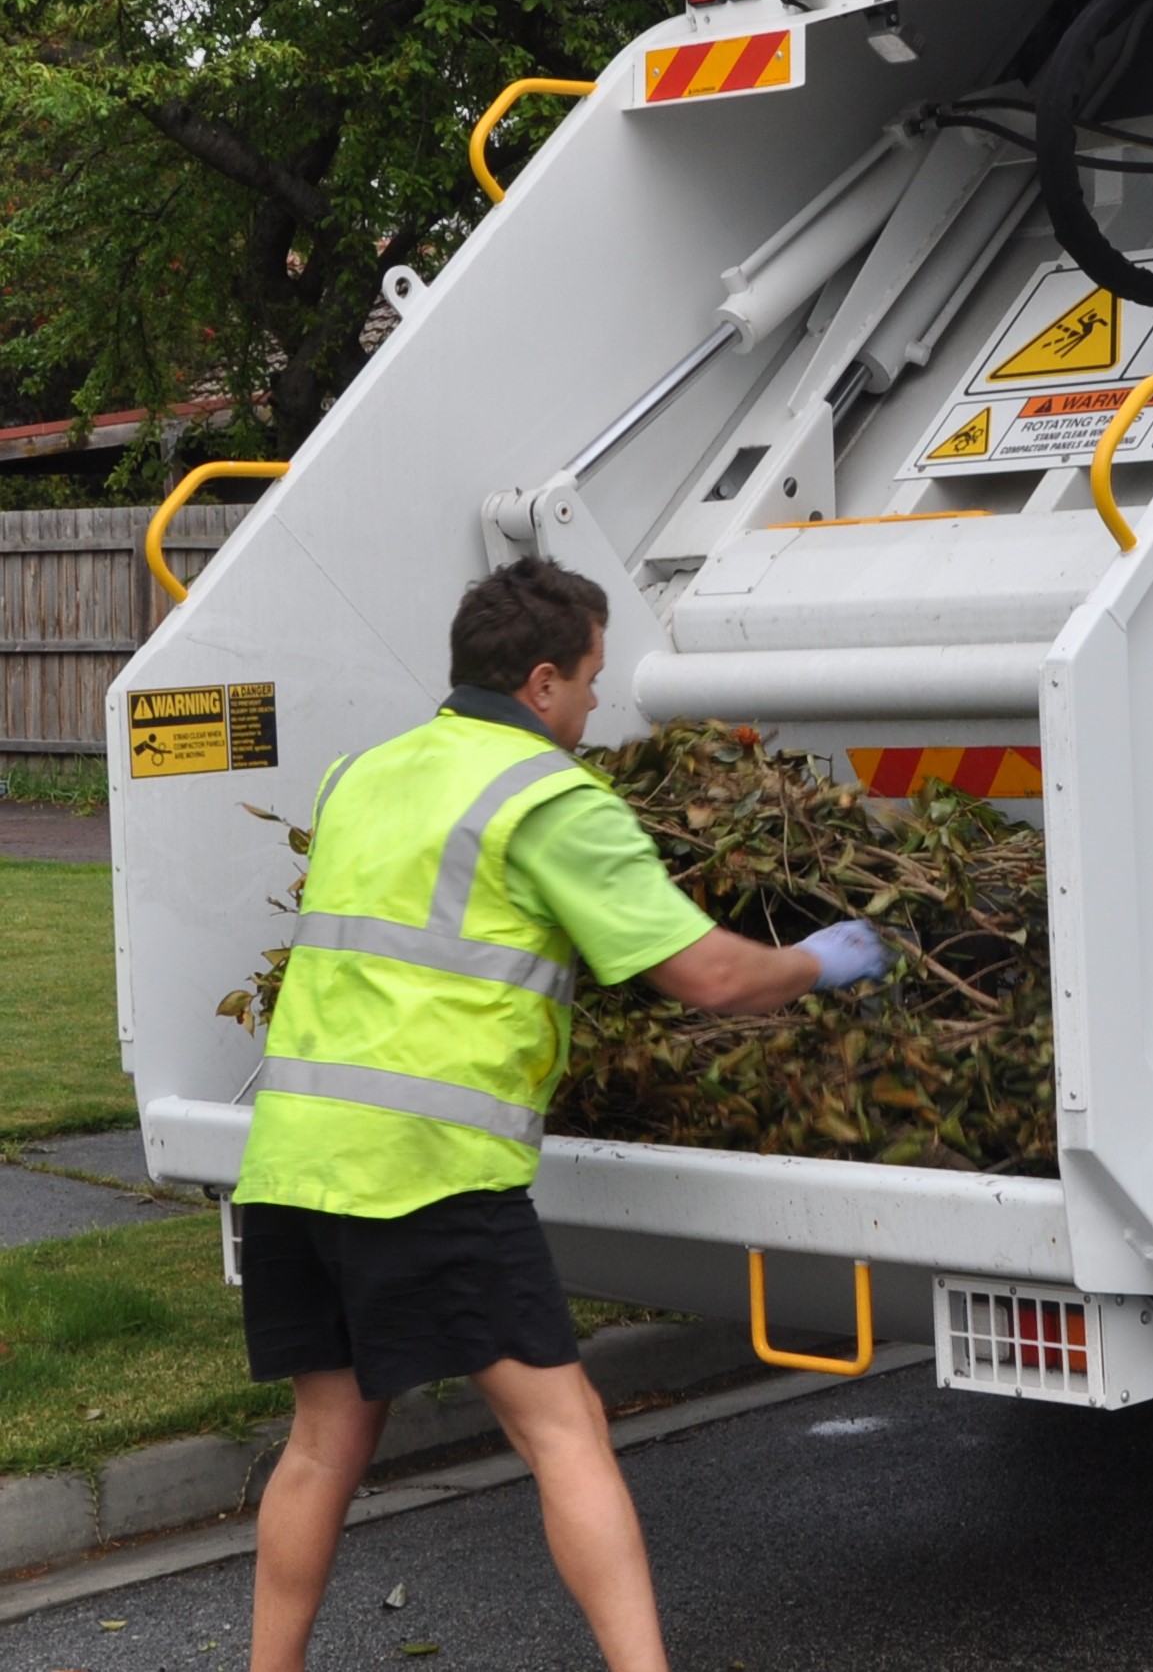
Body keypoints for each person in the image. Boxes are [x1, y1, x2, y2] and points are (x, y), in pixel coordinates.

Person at [231, 558, 885, 1672]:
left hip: (293, 1165)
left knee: (323, 1443)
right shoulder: (546, 798)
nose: (595, 703)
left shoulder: (365, 774)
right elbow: (708, 979)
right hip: (428, 1172)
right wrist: (817, 961)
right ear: (541, 682)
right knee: (564, 1429)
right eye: (589, 677)